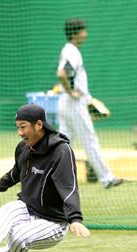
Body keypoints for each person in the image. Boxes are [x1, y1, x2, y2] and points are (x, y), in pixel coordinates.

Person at [0, 104, 90, 252]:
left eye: (23, 127)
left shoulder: (61, 151)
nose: (20, 133)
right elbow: (16, 172)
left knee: (19, 236)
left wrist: (75, 219)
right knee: (8, 208)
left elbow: (69, 187)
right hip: (27, 209)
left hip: (53, 222)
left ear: (39, 125)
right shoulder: (23, 147)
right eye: (17, 127)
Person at [56, 18, 123, 189]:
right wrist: (72, 91)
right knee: (89, 141)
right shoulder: (72, 52)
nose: (86, 34)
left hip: (65, 103)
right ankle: (107, 178)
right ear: (76, 33)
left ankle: (49, 179)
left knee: (61, 145)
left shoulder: (68, 50)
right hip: (73, 103)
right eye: (83, 31)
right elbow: (62, 74)